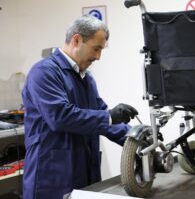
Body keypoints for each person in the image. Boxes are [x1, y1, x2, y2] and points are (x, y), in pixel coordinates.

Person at [22, 15, 138, 199]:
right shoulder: (44, 72)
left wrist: (136, 137)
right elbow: (60, 117)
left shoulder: (86, 78)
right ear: (77, 40)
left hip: (84, 171)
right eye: (96, 48)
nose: (98, 56)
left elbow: (102, 118)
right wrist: (109, 116)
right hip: (52, 176)